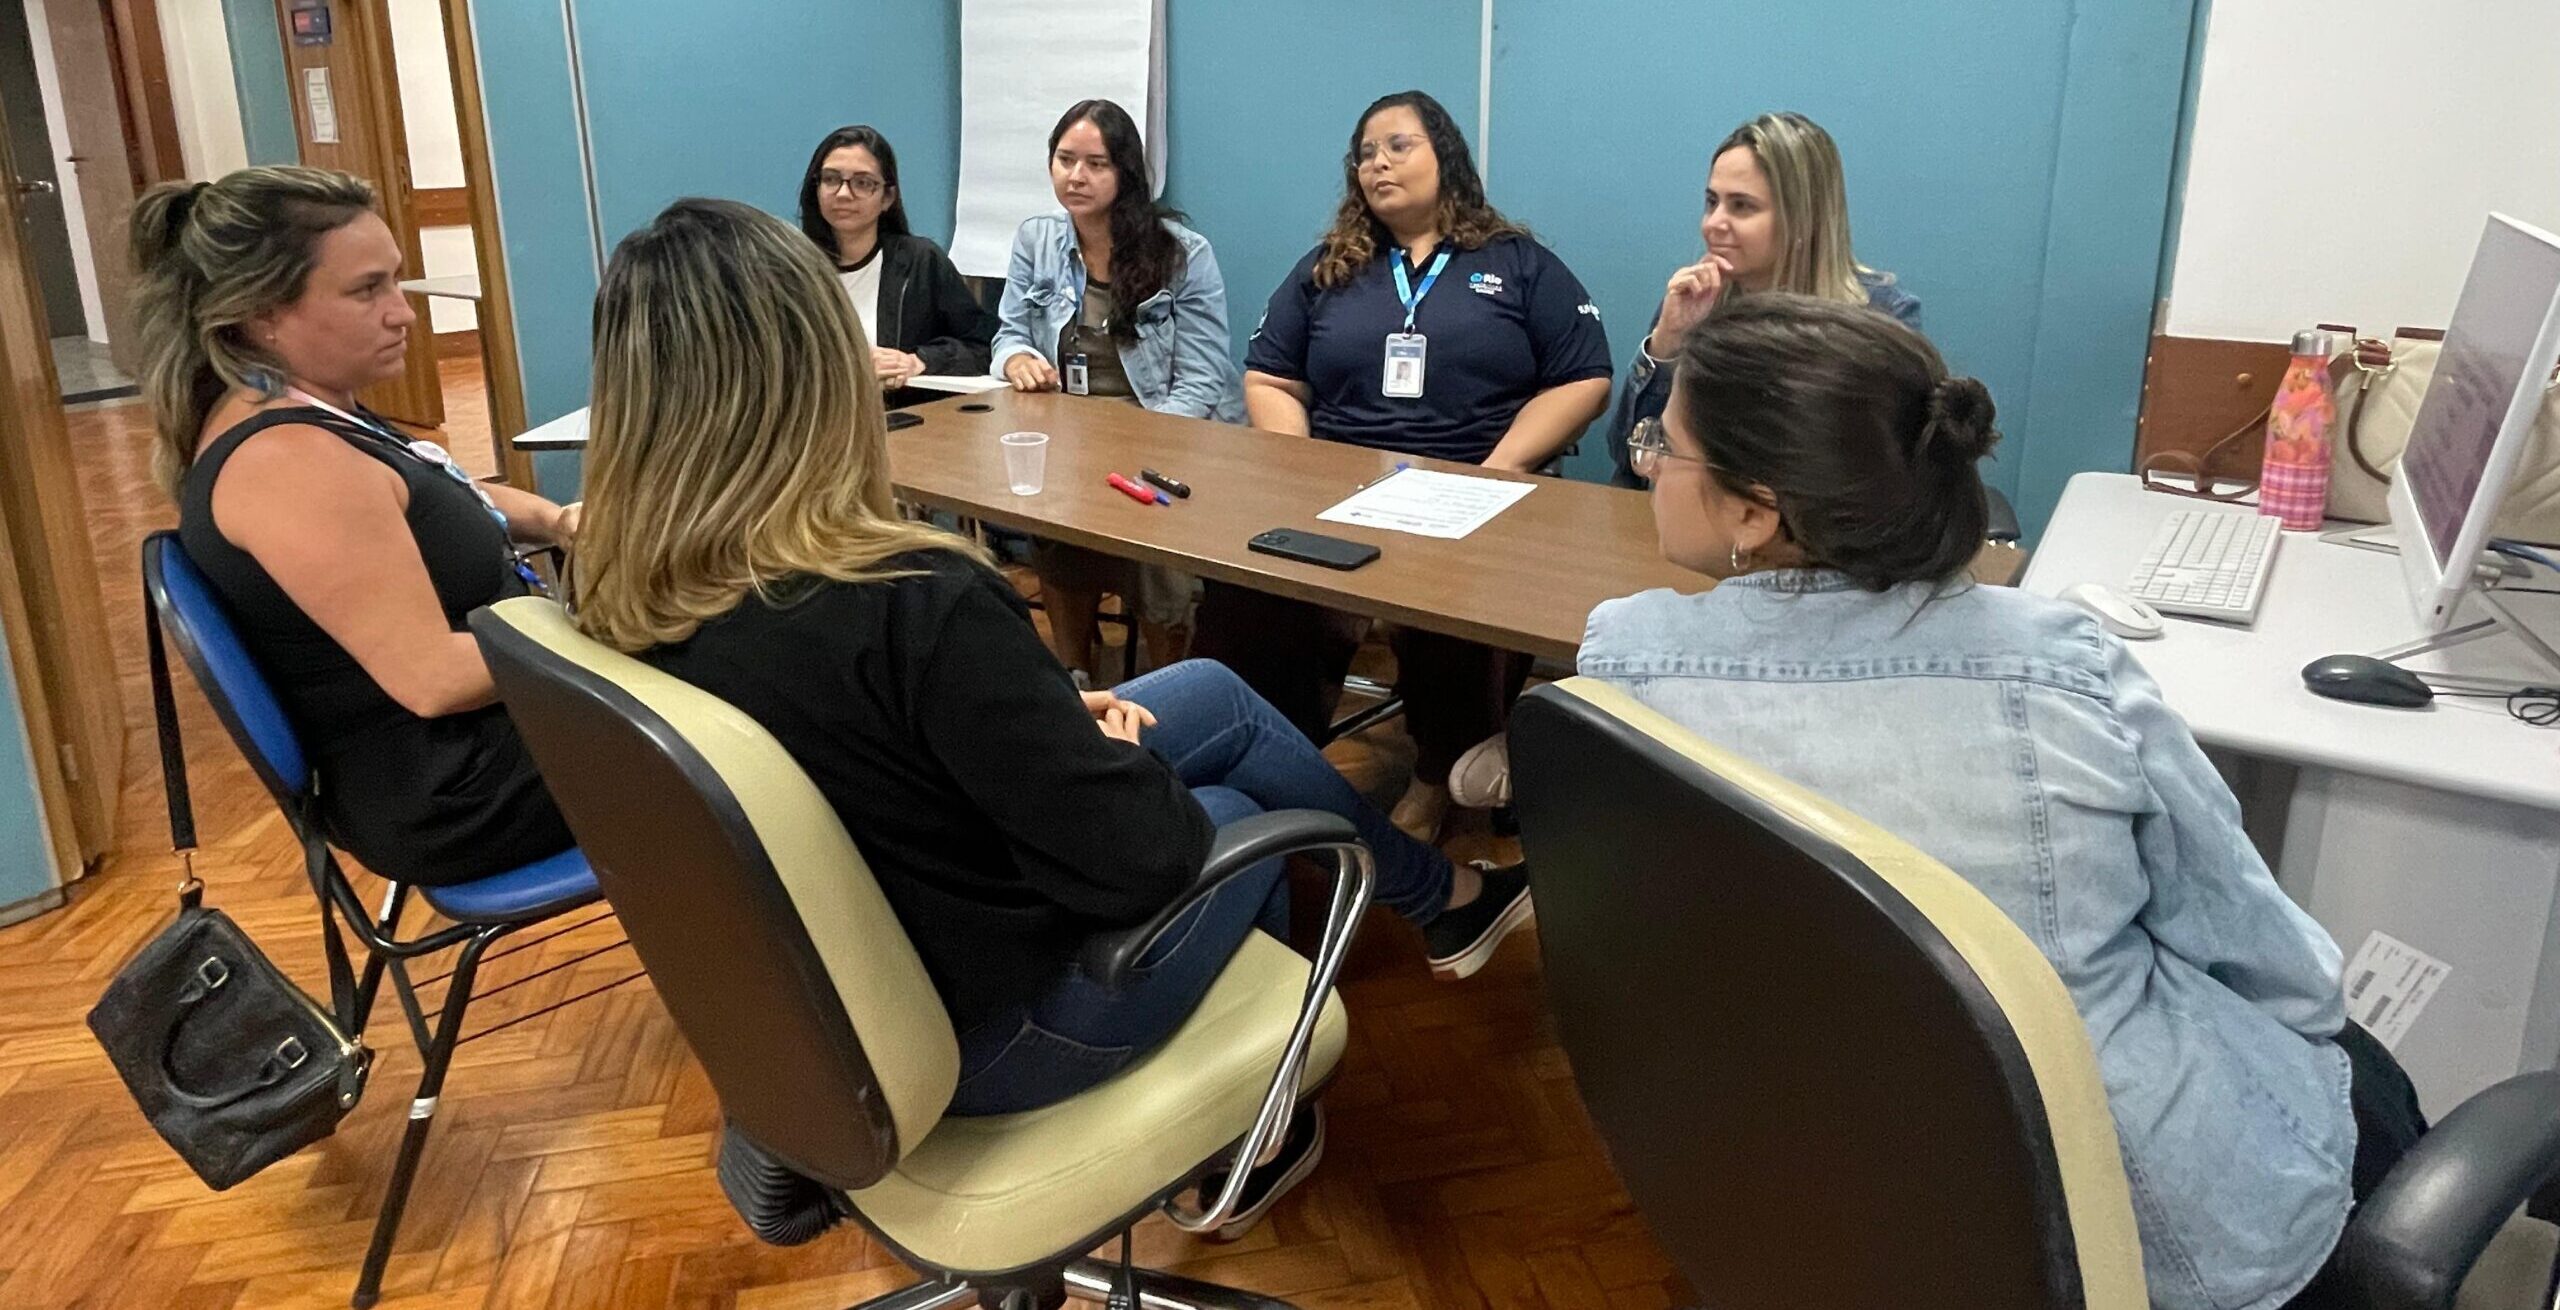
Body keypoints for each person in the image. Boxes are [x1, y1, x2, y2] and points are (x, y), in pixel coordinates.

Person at [569, 202, 1533, 1213]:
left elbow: (873, 748)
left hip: (831, 1002)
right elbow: (1141, 860)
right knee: (1249, 820)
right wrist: (1108, 754)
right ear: (817, 375)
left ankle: (1444, 902)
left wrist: (1044, 723)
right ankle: (1248, 1139)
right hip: (1001, 1031)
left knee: (1209, 692)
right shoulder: (913, 601)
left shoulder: (621, 596)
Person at [1577, 293, 2367, 1310]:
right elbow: (2273, 963)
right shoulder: (2061, 664)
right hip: (2137, 1231)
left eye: (1663, 446)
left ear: (1753, 508)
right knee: (2359, 1074)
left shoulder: (1624, 666)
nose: (1646, 465)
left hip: (1790, 1177)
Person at [133, 166, 576, 885]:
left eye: (395, 282)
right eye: (367, 290)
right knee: (767, 688)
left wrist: (558, 519)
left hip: (483, 744)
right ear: (260, 313)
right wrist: (601, 626)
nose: (402, 313)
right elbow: (432, 679)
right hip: (463, 789)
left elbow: (441, 495)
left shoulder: (306, 411)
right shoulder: (290, 462)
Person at [1198, 88, 1611, 842]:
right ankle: (1265, 757)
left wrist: (1497, 468)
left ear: (1444, 157)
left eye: (1398, 145)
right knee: (1248, 589)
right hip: (1342, 491)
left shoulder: (1516, 264)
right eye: (1365, 154)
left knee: (1456, 599)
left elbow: (1583, 375)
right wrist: (1304, 464)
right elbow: (1269, 375)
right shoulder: (1330, 268)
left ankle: (1437, 773)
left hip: (1472, 489)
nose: (1378, 163)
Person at [992, 99, 1239, 679]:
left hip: (1165, 434)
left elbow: (1202, 380)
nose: (1076, 176)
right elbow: (1006, 333)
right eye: (1064, 159)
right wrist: (1019, 360)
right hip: (1071, 435)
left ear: (1126, 172)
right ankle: (1076, 678)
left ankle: (1167, 686)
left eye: (1095, 164)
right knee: (1053, 528)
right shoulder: (1036, 240)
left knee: (1156, 546)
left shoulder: (1181, 252)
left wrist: (1138, 445)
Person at [1602, 111, 1920, 490]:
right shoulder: (1698, 303)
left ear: (1802, 218)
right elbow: (1628, 459)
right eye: (1711, 202)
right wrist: (1666, 342)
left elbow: (1875, 481)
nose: (1713, 224)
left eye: (1741, 206)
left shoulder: (1880, 321)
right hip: (1691, 523)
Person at [797, 124, 995, 407]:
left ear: (887, 197)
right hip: (817, 420)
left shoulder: (920, 262)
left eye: (863, 183)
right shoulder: (792, 268)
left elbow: (983, 345)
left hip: (903, 422)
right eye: (831, 179)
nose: (843, 193)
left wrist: (918, 361)